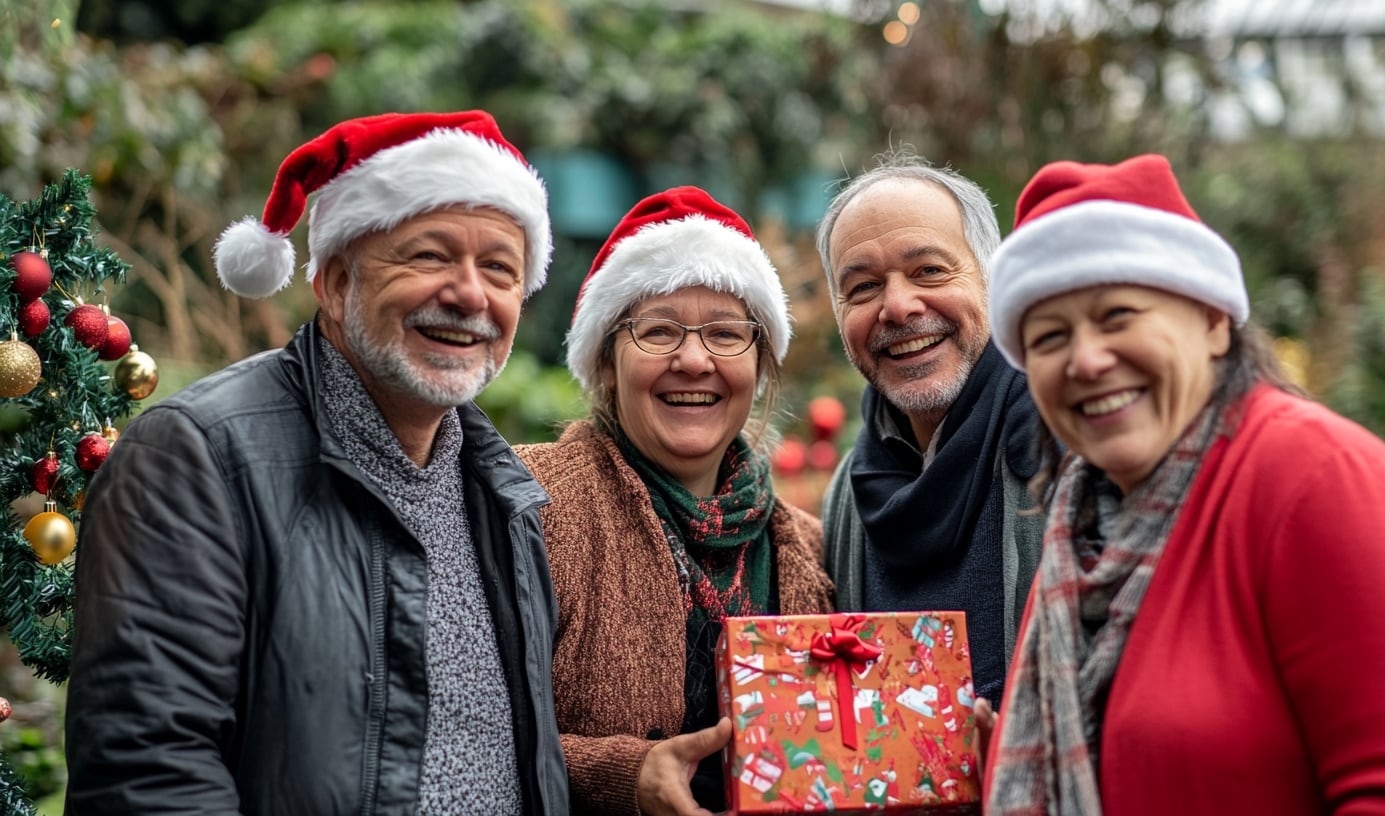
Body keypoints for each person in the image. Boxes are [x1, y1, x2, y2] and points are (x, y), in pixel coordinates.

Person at [64, 111, 570, 814]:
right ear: (333, 282)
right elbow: (149, 772)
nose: (469, 294)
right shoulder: (196, 456)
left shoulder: (503, 491)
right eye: (428, 256)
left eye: (499, 269)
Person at [981, 154, 1385, 814]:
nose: (1086, 360)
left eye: (1118, 315)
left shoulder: (1315, 481)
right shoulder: (1083, 534)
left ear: (1209, 321)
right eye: (1049, 337)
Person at [515, 186, 835, 815]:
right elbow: (464, 727)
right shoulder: (532, 502)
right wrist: (623, 776)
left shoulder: (807, 544)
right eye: (658, 332)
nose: (693, 360)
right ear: (606, 361)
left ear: (761, 363)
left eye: (726, 334)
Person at [815, 150, 1043, 707]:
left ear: (994, 279)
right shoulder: (848, 493)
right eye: (863, 287)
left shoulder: (1060, 447)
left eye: (929, 271)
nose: (897, 306)